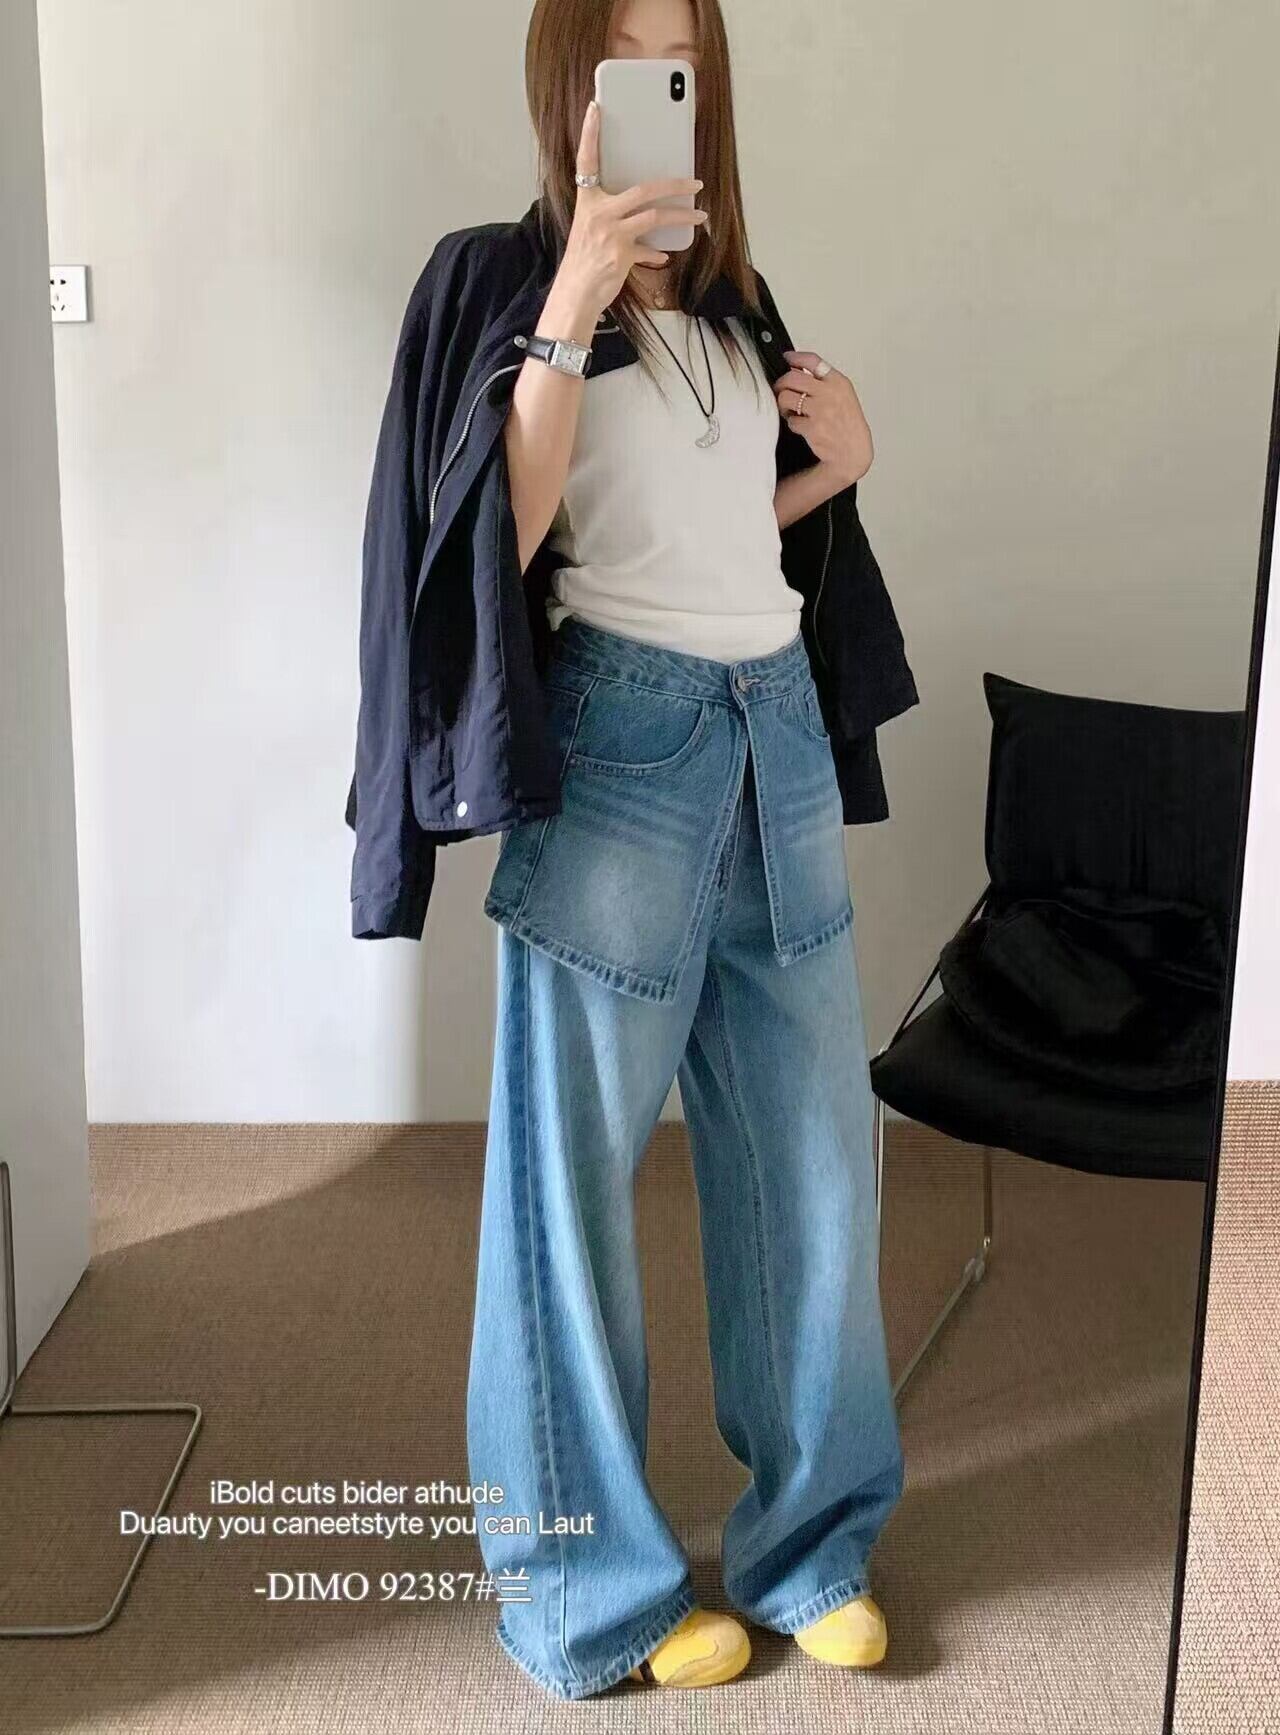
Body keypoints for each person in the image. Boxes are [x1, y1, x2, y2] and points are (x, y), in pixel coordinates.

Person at [346, 0, 918, 1701]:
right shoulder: (503, 280)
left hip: (773, 748)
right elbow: (503, 537)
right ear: (572, 86)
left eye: (683, 59)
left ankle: (812, 1547)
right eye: (628, 58)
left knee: (815, 1174)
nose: (663, 89)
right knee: (569, 1196)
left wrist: (839, 471)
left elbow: (720, 538)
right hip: (623, 758)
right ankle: (585, 1593)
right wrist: (576, 295)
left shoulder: (740, 306)